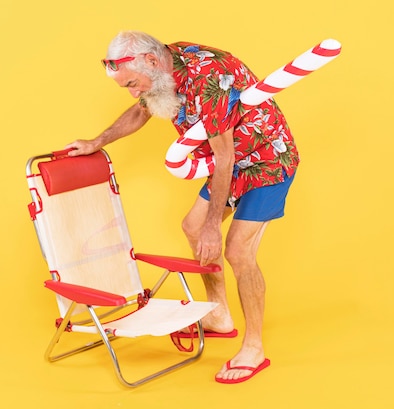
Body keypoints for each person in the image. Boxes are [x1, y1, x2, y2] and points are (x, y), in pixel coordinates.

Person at [65, 31, 299, 384]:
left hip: (265, 158)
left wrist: (213, 228)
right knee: (192, 227)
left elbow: (224, 158)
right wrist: (97, 141)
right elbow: (140, 111)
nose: (133, 92)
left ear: (151, 62)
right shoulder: (160, 66)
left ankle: (254, 347)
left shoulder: (208, 78)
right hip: (229, 161)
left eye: (132, 83)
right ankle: (219, 315)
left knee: (236, 250)